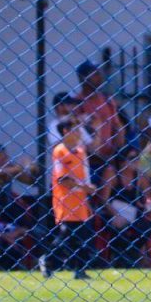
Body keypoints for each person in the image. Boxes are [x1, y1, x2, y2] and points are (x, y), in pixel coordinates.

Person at [47, 117, 95, 279]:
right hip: (65, 200)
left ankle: (79, 270)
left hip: (80, 201)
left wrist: (87, 188)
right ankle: (47, 260)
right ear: (66, 131)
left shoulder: (81, 152)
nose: (80, 133)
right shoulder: (59, 151)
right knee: (66, 235)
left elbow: (85, 174)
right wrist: (84, 187)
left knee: (81, 236)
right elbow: (63, 179)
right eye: (76, 129)